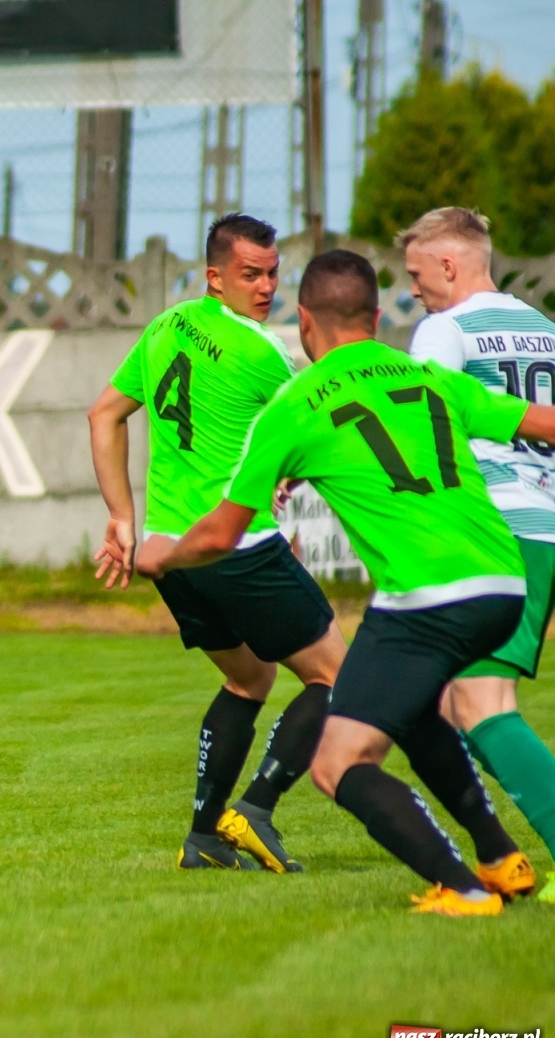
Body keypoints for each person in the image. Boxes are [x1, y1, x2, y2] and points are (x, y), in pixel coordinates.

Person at [137, 249, 555, 916]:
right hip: (505, 580)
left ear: (305, 322)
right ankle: (500, 856)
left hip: (425, 595)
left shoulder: (297, 403)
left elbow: (219, 535)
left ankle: (466, 888)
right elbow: (546, 425)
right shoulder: (431, 378)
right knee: (418, 713)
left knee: (339, 763)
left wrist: (160, 557)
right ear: (378, 314)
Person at [88, 213, 346, 873]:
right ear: (215, 276)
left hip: (171, 556)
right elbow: (320, 427)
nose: (264, 288)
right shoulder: (261, 354)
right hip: (236, 551)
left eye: (271, 275)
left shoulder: (165, 327)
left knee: (249, 679)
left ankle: (202, 836)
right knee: (337, 678)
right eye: (249, 275)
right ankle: (255, 808)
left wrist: (122, 517)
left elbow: (104, 415)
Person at [400, 206, 555, 903]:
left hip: (493, 528)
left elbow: (421, 429)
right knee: (460, 701)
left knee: (478, 701)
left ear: (449, 264)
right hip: (545, 522)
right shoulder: (542, 328)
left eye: (415, 275)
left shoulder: (445, 329)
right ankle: (491, 853)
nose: (412, 292)